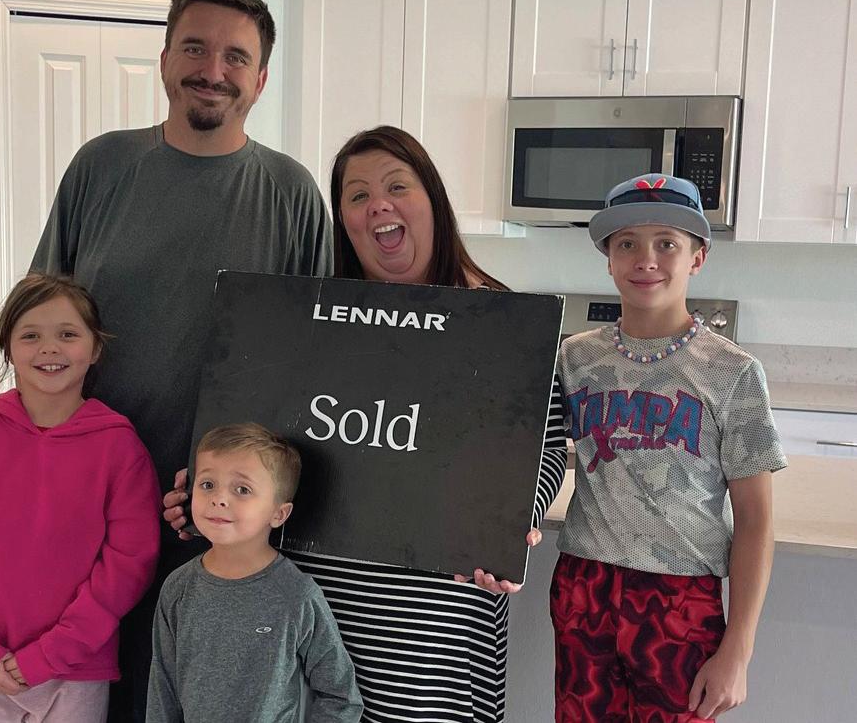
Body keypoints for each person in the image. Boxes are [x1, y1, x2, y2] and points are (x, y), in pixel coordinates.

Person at [31, 0, 332, 721]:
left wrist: (236, 495)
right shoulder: (100, 168)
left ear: (260, 79)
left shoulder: (292, 194)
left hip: (219, 519)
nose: (213, 70)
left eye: (236, 56)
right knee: (83, 697)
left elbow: (317, 366)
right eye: (195, 48)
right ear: (165, 59)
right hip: (89, 509)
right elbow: (42, 331)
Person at [290, 125, 568, 721]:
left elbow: (546, 444)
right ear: (345, 222)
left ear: (432, 202)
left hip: (437, 615)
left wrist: (514, 515)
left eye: (397, 186)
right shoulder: (314, 324)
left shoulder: (501, 322)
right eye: (358, 196)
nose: (378, 205)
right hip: (323, 608)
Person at [551, 174, 787, 722]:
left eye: (667, 243)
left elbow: (756, 520)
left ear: (697, 258)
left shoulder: (732, 373)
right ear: (608, 260)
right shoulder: (573, 359)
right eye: (626, 243)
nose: (646, 259)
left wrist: (738, 651)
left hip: (681, 599)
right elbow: (525, 453)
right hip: (584, 586)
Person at [0, 273, 161, 723]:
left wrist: (54, 652)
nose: (49, 348)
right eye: (31, 336)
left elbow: (128, 565)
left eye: (67, 334)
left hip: (76, 667)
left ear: (95, 348)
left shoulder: (120, 447)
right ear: (9, 348)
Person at [146, 423, 363, 722]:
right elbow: (163, 689)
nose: (219, 498)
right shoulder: (178, 587)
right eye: (207, 484)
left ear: (279, 513)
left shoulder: (296, 595)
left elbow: (341, 698)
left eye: (242, 489)